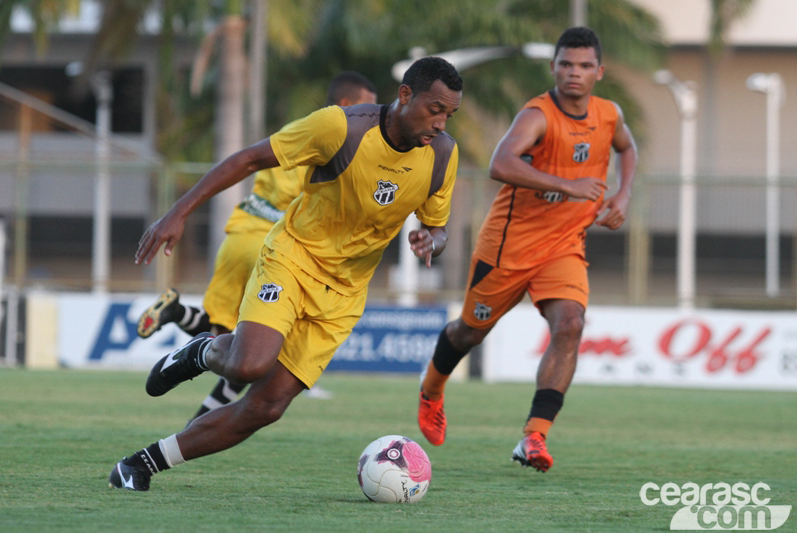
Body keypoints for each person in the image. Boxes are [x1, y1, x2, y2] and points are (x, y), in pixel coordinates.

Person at [109, 56, 463, 491]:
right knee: (248, 366)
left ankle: (139, 465)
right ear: (405, 95)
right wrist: (177, 212)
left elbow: (438, 224)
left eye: (450, 114)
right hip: (293, 259)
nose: (442, 123)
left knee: (267, 407)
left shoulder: (443, 155)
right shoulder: (341, 128)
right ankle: (202, 351)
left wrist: (433, 240)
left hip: (345, 295)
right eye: (435, 109)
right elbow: (248, 159)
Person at [417, 27, 637, 473]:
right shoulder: (537, 115)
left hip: (564, 247)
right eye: (566, 64)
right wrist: (567, 185)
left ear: (599, 71)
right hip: (508, 248)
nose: (574, 73)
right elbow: (501, 163)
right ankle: (432, 390)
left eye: (584, 66)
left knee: (570, 323)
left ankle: (534, 436)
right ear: (553, 66)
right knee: (469, 333)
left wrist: (623, 196)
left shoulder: (608, 114)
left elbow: (627, 147)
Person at [136, 72, 377, 416]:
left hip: (239, 234)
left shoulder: (297, 129)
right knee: (257, 348)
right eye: (368, 107)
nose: (374, 116)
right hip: (276, 246)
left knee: (222, 329)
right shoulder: (337, 139)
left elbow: (250, 161)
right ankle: (203, 420)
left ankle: (176, 312)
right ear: (346, 104)